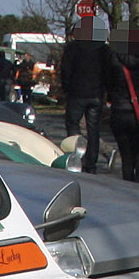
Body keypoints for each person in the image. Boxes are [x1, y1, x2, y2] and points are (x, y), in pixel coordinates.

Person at [59, 13, 111, 173]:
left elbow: (65, 70)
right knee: (93, 128)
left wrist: (66, 88)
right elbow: (109, 71)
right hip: (96, 93)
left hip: (77, 92)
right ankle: (91, 163)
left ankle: (76, 159)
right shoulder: (103, 49)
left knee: (73, 125)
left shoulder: (73, 48)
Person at [107, 20, 139, 183]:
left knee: (126, 156)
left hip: (120, 110)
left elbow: (109, 83)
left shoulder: (114, 58)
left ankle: (128, 187)